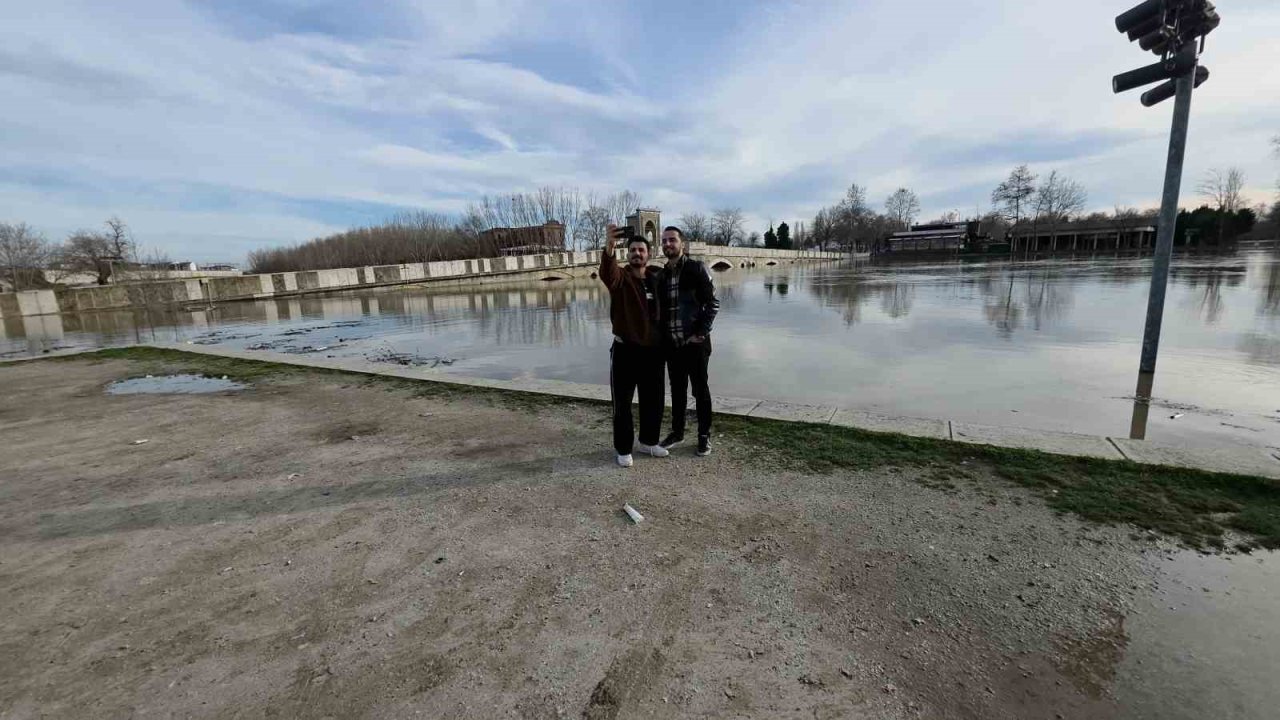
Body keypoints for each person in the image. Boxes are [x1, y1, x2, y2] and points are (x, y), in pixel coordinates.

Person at [598, 224, 668, 467]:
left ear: (648, 254)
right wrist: (609, 247)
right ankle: (623, 448)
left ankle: (648, 441)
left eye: (641, 250)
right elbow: (608, 273)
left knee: (654, 400)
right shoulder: (621, 278)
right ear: (627, 254)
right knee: (623, 404)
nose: (637, 253)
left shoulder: (656, 277)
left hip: (653, 353)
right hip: (625, 351)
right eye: (633, 250)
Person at [656, 225, 719, 456]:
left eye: (672, 240)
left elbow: (713, 303)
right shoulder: (661, 276)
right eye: (664, 241)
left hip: (695, 343)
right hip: (673, 345)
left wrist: (701, 333)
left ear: (682, 243)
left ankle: (704, 436)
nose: (667, 244)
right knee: (677, 391)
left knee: (700, 391)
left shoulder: (696, 269)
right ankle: (678, 432)